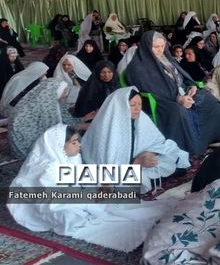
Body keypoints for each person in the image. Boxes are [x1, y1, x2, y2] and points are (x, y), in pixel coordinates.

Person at [8, 124, 176, 252]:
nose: (79, 146)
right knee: (71, 217)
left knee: (112, 192)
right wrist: (91, 200)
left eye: (77, 142)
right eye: (74, 143)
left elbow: (83, 177)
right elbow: (52, 202)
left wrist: (102, 185)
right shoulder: (47, 170)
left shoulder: (68, 158)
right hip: (43, 206)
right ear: (58, 146)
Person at [125, 31, 220, 155]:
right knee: (180, 111)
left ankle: (213, 138)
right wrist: (178, 98)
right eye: (156, 47)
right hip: (162, 100)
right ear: (146, 47)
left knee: (210, 100)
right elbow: (151, 89)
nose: (160, 50)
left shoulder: (166, 58)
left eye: (162, 46)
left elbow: (182, 76)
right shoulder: (137, 67)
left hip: (182, 91)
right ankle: (194, 146)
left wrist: (191, 86)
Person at [82, 87, 190, 193]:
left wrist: (149, 153)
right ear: (120, 106)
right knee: (131, 182)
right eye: (133, 105)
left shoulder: (141, 118)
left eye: (139, 104)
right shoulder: (106, 128)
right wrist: (138, 162)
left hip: (140, 160)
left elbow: (156, 140)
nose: (137, 108)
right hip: (121, 170)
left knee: (170, 151)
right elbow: (108, 164)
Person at [9, 78, 92, 160]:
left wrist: (83, 119)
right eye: (64, 90)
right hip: (26, 147)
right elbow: (54, 131)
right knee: (72, 146)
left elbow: (65, 119)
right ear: (56, 91)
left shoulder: (51, 99)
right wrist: (79, 126)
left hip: (30, 139)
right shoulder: (46, 105)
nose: (66, 93)